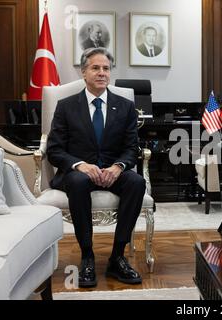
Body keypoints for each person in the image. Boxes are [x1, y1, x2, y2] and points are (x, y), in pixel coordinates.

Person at [46, 47, 145, 287]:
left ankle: (117, 257)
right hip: (78, 173)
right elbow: (54, 150)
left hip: (112, 170)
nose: (102, 73)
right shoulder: (66, 106)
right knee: (79, 183)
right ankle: (87, 256)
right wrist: (79, 165)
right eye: (95, 68)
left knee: (136, 182)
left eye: (106, 68)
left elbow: (132, 148)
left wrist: (118, 167)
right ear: (84, 72)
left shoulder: (125, 106)